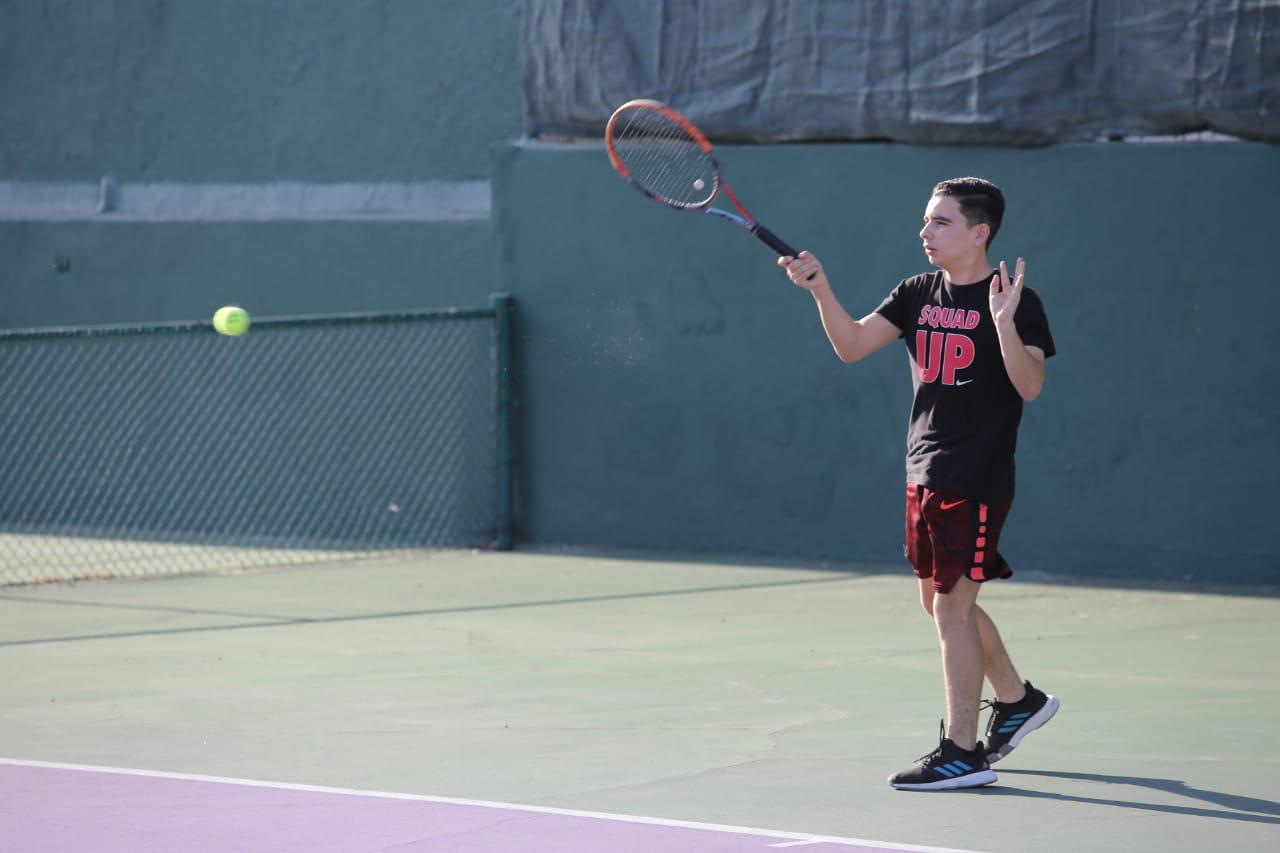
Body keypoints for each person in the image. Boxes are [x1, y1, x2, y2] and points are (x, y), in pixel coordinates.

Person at [779, 177, 1059, 791]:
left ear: (979, 232)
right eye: (927, 220)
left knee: (952, 609)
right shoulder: (916, 292)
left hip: (976, 474)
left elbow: (1031, 386)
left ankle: (962, 751)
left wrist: (1003, 324)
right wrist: (820, 289)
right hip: (923, 467)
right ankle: (1018, 701)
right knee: (939, 603)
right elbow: (853, 345)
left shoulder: (1015, 300)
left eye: (941, 222)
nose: (925, 232)